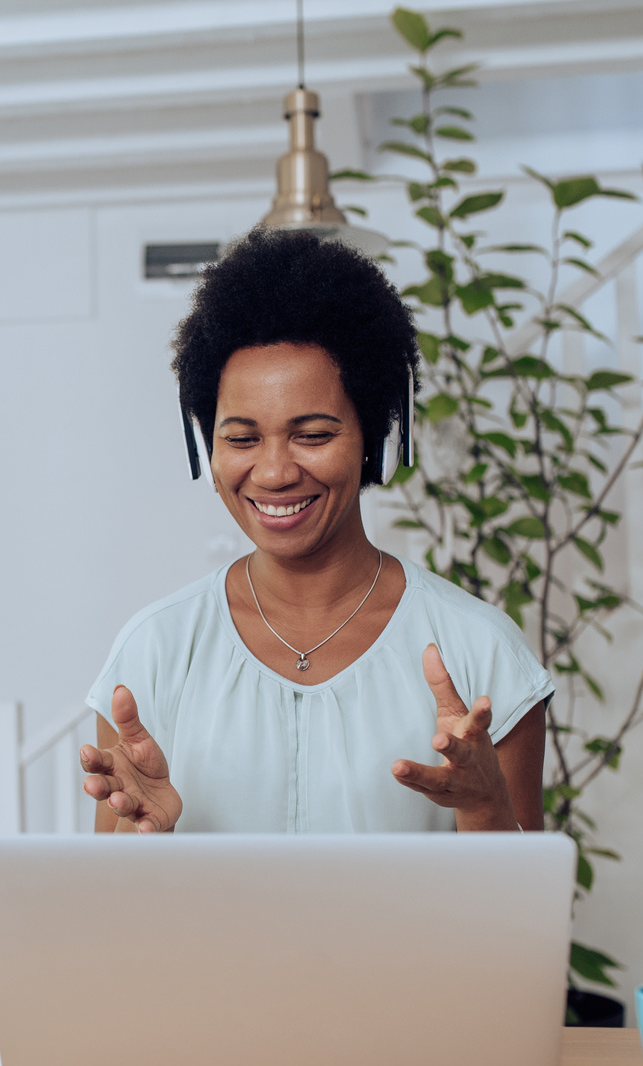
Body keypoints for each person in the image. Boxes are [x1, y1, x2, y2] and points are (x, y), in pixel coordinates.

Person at [81, 230, 553, 835]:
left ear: (374, 441)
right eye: (242, 438)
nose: (274, 472)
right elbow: (110, 921)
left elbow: (517, 927)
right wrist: (140, 842)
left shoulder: (480, 652)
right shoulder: (153, 654)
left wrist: (488, 810)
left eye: (313, 435)